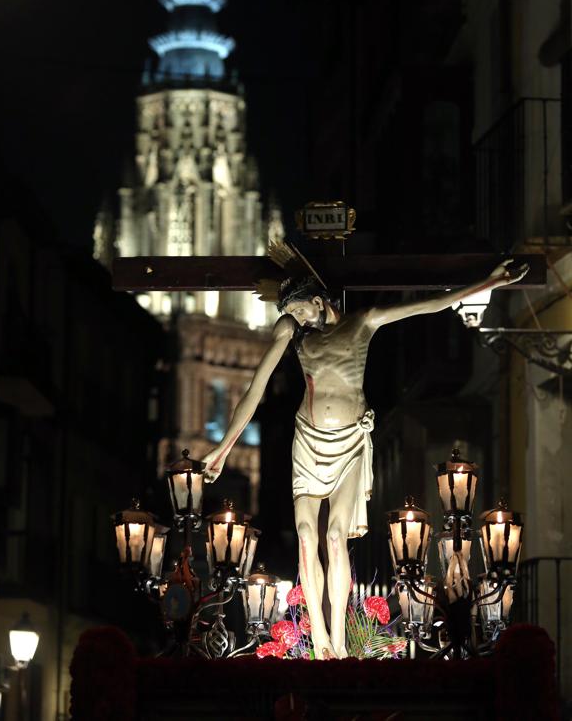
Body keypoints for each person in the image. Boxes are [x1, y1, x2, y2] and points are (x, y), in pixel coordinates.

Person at [201, 251, 528, 659]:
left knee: (335, 537)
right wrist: (223, 448)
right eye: (292, 314)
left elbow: (428, 304)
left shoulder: (363, 322)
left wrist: (489, 283)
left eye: (301, 310)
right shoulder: (296, 336)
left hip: (350, 444)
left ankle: (338, 639)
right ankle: (319, 640)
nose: (299, 319)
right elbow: (255, 388)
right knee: (306, 535)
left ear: (320, 300)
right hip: (307, 440)